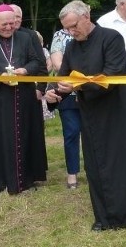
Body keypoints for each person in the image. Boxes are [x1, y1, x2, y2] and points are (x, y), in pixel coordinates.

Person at [45, 0, 126, 231]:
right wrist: (54, 92)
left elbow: (110, 76)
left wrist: (76, 87)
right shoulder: (71, 47)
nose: (71, 32)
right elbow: (64, 77)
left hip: (122, 110)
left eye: (73, 26)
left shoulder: (111, 38)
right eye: (67, 29)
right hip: (93, 115)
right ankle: (106, 217)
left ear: (86, 17)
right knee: (98, 164)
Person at [0, 4, 47, 194]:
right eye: (4, 24)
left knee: (24, 135)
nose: (8, 27)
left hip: (23, 96)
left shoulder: (25, 37)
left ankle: (26, 180)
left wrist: (25, 70)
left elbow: (36, 61)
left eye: (12, 23)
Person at [49, 27, 82, 189]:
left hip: (92, 94)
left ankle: (96, 169)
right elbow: (57, 65)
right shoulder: (60, 36)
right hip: (67, 93)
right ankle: (72, 172)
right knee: (71, 133)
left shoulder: (95, 33)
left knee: (94, 133)